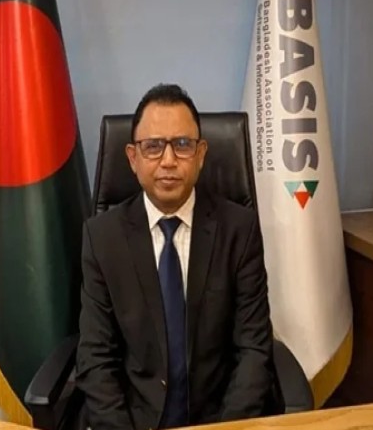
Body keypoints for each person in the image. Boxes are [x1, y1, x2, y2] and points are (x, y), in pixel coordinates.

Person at [76, 84, 274, 430]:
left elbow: (253, 350)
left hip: (217, 419)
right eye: (153, 146)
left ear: (201, 154)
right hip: (134, 421)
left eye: (182, 145)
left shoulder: (238, 230)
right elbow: (96, 358)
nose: (168, 161)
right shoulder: (102, 237)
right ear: (133, 158)